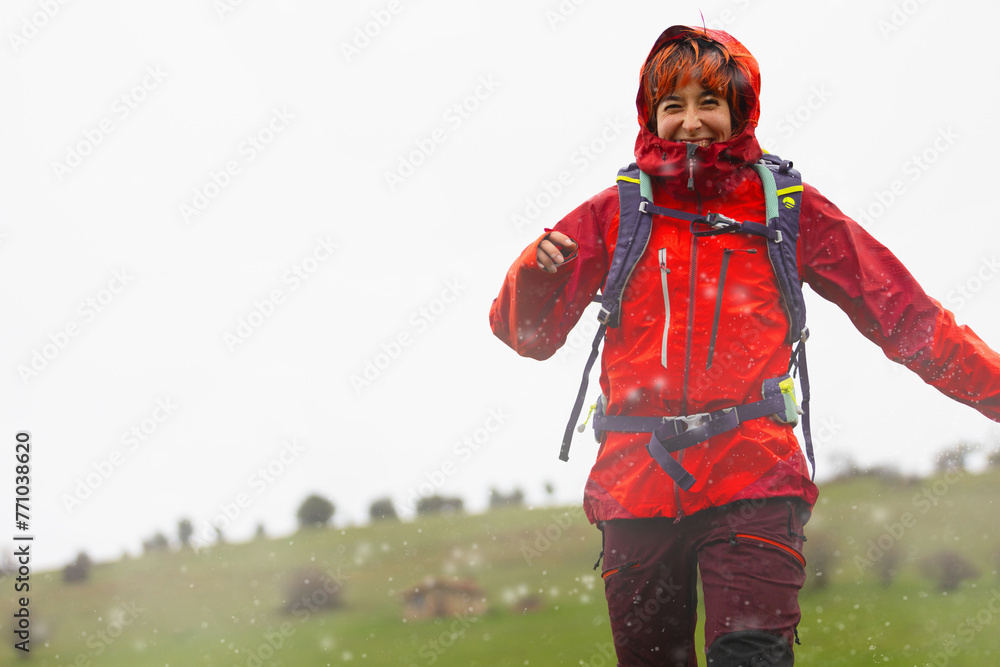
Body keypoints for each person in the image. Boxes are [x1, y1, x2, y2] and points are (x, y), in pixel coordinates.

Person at [489, 24, 1000, 667]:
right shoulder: (613, 215)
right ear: (651, 116)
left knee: (751, 659)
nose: (692, 122)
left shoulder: (788, 209)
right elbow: (524, 337)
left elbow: (909, 320)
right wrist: (533, 274)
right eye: (673, 106)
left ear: (739, 109)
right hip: (635, 489)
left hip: (754, 478)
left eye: (709, 103)